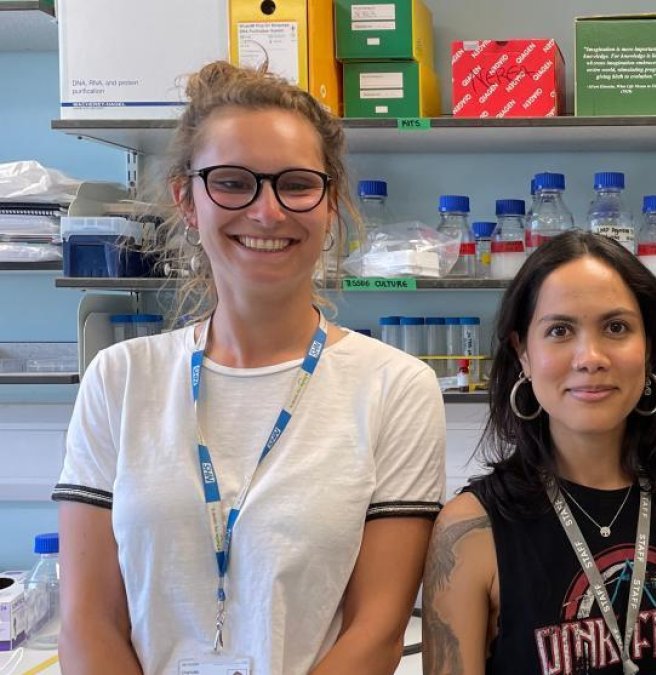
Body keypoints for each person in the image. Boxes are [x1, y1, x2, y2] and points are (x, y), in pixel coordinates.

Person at [53, 62, 446, 674]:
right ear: (187, 199)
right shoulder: (119, 380)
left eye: (295, 184)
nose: (267, 212)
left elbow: (376, 631)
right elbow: (86, 621)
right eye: (233, 182)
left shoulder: (395, 388)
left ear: (329, 202)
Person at [421, 230, 656, 674]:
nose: (590, 357)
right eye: (560, 330)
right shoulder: (471, 528)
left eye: (616, 327)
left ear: (650, 347)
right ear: (523, 353)